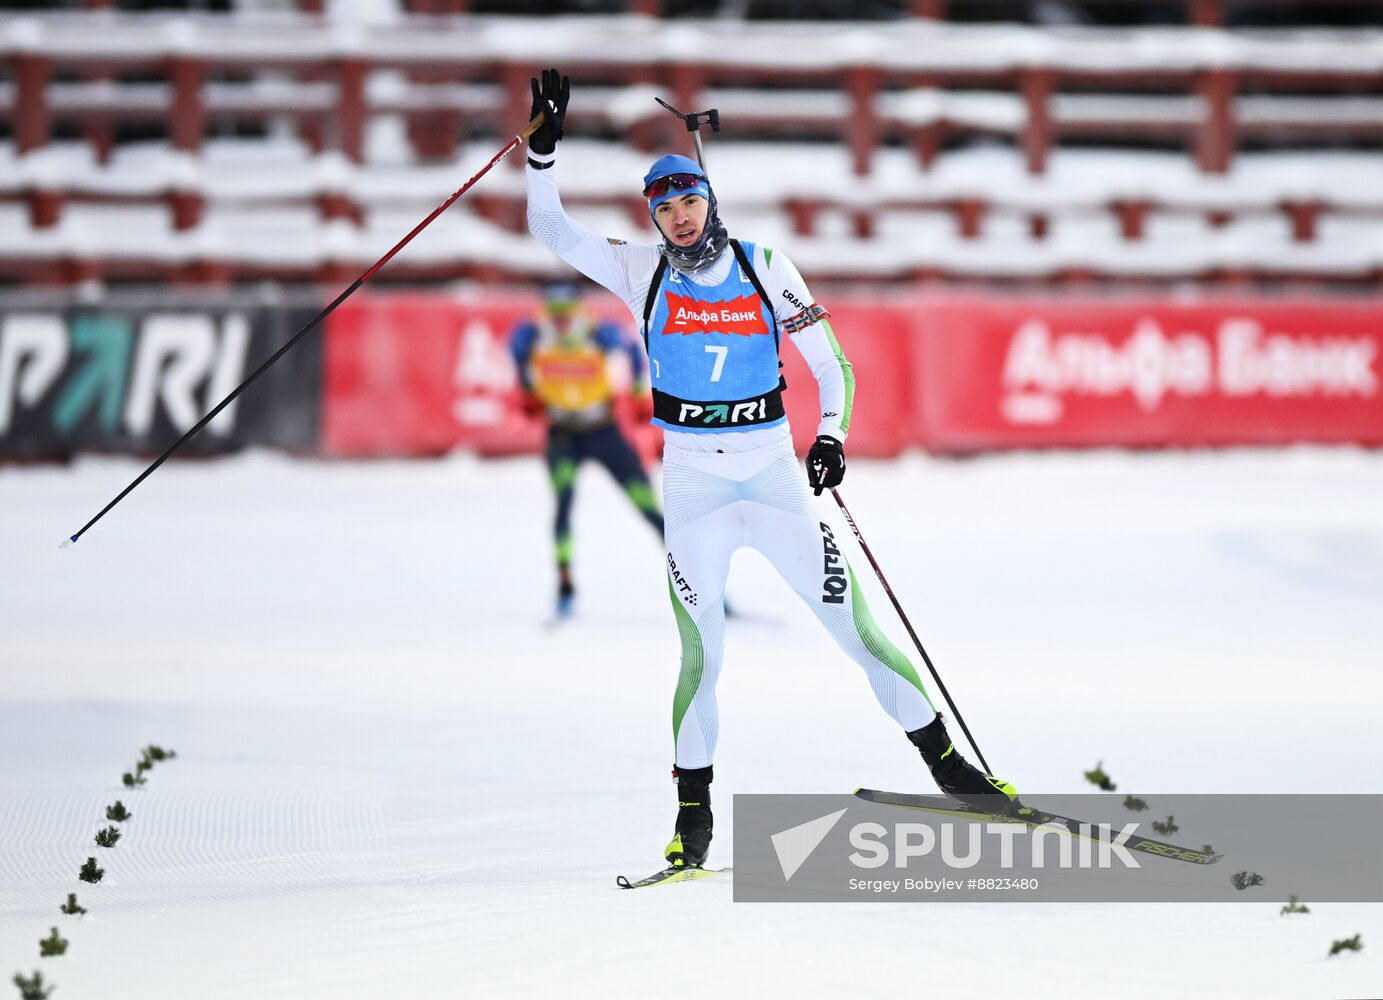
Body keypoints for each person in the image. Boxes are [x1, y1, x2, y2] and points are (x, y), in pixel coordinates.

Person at [523, 69, 1017, 871]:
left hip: (773, 481)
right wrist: (542, 151)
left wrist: (831, 437)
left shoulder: (764, 266)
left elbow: (831, 364)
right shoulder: (639, 271)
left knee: (860, 634)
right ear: (652, 217)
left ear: (708, 200)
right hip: (694, 490)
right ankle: (692, 820)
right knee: (700, 659)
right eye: (663, 209)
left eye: (688, 201)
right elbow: (549, 226)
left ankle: (951, 771)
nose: (679, 218)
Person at [509, 279, 664, 619]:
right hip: (563, 434)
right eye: (554, 312)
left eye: (567, 312)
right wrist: (525, 389)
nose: (561, 320)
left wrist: (639, 391)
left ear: (578, 310)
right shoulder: (532, 335)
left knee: (650, 509)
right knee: (563, 503)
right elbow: (517, 355)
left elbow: (632, 350)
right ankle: (565, 588)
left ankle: (697, 586)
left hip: (604, 432)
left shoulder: (596, 332)